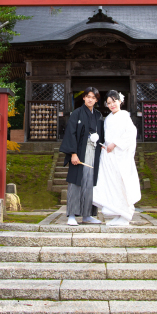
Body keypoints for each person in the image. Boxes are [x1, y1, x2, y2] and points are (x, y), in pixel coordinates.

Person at [93, 90, 140, 226]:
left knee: (122, 183)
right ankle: (119, 213)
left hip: (121, 156)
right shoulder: (108, 118)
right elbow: (107, 136)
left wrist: (115, 144)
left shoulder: (124, 116)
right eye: (109, 103)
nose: (112, 105)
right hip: (109, 156)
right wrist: (105, 145)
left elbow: (131, 134)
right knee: (111, 184)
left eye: (114, 101)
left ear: (120, 101)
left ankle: (126, 214)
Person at [59, 87, 104, 226]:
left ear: (96, 100)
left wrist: (101, 142)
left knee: (90, 183)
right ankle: (72, 214)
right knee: (75, 183)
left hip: (94, 151)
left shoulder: (98, 115)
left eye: (93, 97)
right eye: (88, 96)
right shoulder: (76, 113)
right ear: (84, 97)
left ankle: (87, 215)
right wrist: (73, 153)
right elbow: (71, 133)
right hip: (79, 152)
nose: (90, 99)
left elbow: (102, 133)